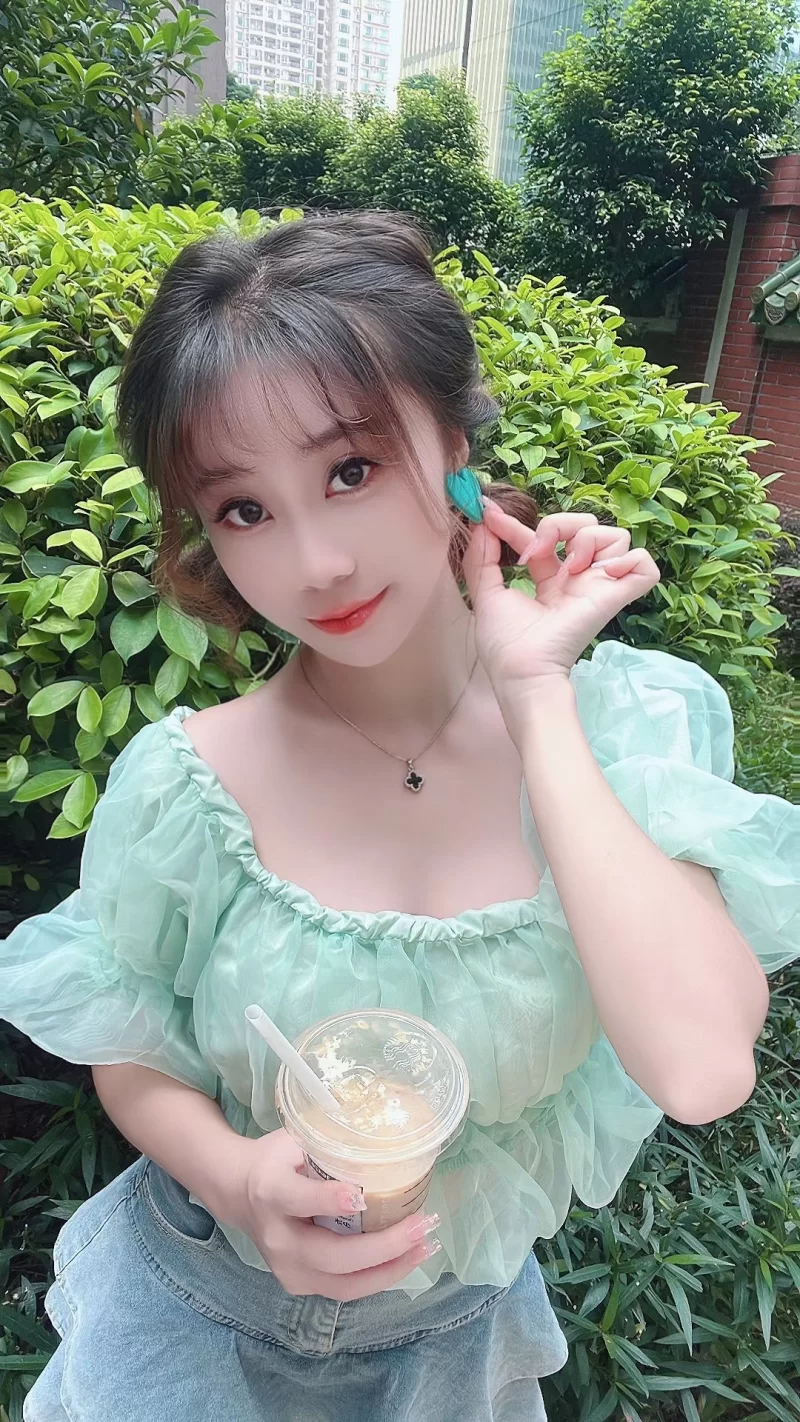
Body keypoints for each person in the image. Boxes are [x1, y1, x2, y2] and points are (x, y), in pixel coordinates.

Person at [4, 211, 797, 1422]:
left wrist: (536, 702)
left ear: (453, 449)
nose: (314, 563)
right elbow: (134, 1044)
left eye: (349, 471)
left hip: (450, 1345)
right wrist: (236, 1175)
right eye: (243, 509)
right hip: (192, 1316)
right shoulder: (187, 784)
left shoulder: (621, 731)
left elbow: (697, 1068)